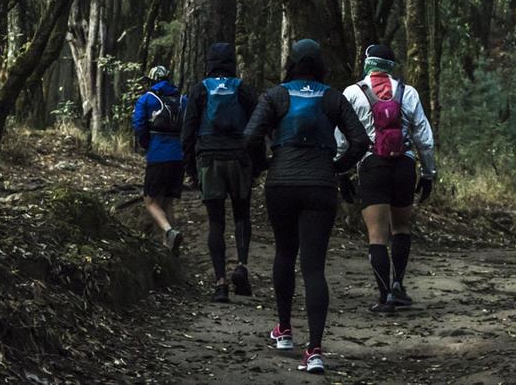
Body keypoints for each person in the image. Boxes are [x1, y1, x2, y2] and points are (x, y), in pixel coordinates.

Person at [244, 39, 369, 375]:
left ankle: (284, 331)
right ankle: (314, 351)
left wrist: (264, 164)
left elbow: (251, 137)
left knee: (285, 254)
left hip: (281, 184)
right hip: (320, 186)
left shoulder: (275, 95)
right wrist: (337, 166)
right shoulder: (332, 96)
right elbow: (361, 141)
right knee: (314, 268)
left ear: (292, 63)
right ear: (320, 64)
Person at [338, 43, 437, 312]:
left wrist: (342, 173)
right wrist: (428, 174)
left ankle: (384, 298)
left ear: (368, 62)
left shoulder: (352, 93)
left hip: (372, 166)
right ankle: (398, 286)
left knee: (377, 236)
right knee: (401, 228)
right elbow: (424, 139)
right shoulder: (409, 93)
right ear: (392, 66)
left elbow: (341, 140)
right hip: (404, 165)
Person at [181, 42, 262, 303]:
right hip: (239, 159)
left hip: (209, 159)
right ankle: (241, 266)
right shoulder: (243, 90)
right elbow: (258, 128)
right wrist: (257, 166)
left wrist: (191, 170)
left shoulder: (200, 90)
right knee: (241, 214)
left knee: (215, 221)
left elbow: (188, 133)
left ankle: (220, 284)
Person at [132, 65, 188, 255]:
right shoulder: (183, 100)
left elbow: (139, 125)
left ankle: (169, 231)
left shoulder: (147, 99)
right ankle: (171, 247)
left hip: (158, 156)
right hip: (178, 158)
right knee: (168, 202)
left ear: (151, 80)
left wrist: (146, 144)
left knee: (150, 201)